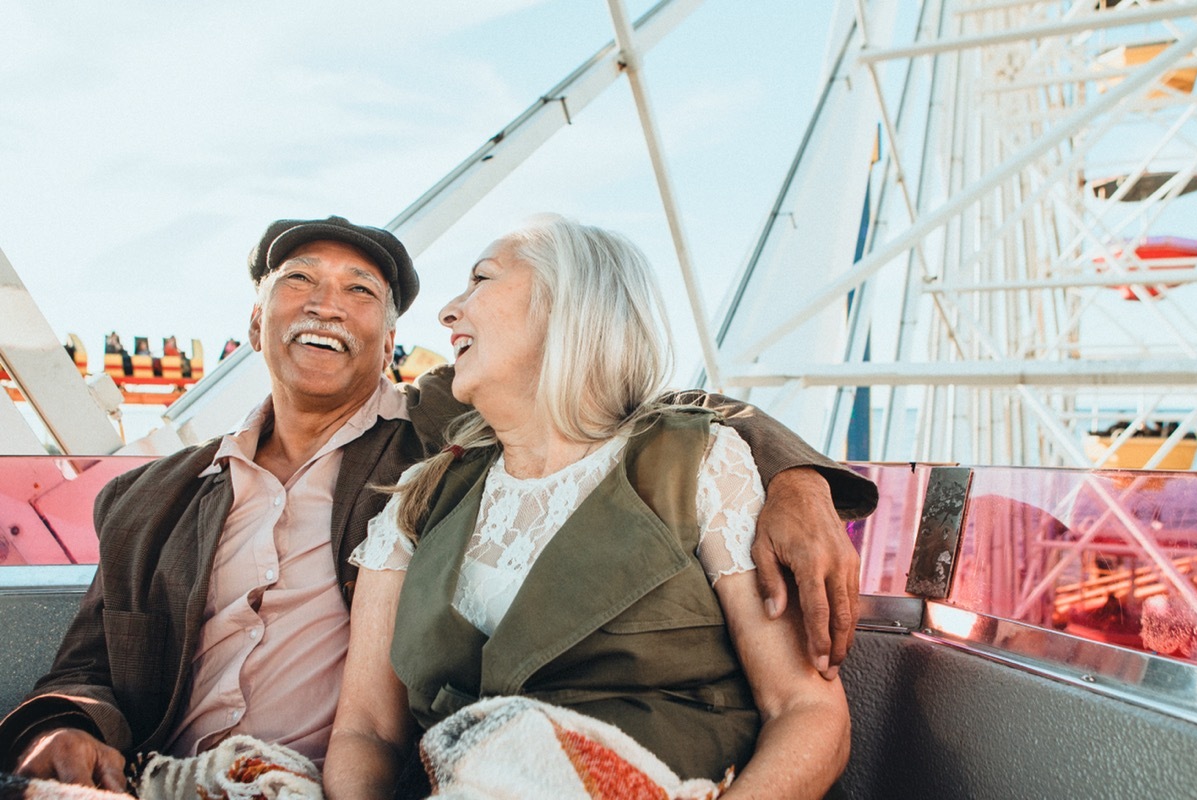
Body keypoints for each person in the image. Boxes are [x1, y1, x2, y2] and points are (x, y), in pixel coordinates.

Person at [0, 216, 876, 790]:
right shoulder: (144, 500)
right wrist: (60, 729)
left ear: (391, 343)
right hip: (182, 773)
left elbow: (651, 411)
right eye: (299, 281)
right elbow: (82, 670)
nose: (324, 305)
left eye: (361, 293)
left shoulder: (432, 440)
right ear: (257, 311)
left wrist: (799, 479)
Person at [325, 215, 864, 799]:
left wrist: (800, 478)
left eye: (481, 279)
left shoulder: (698, 463)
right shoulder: (418, 498)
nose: (448, 310)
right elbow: (368, 731)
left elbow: (806, 710)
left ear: (568, 304)